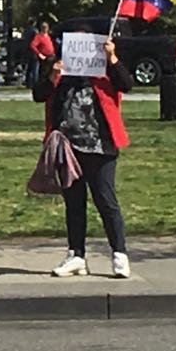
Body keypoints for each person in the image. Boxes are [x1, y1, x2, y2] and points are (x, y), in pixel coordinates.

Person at [45, 37, 135, 279]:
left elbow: (126, 83)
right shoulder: (61, 71)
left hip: (101, 147)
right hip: (68, 148)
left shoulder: (104, 71)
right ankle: (76, 255)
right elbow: (39, 94)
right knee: (74, 204)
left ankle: (119, 254)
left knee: (106, 200)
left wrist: (112, 58)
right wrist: (51, 76)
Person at [26, 20, 56, 89]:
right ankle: (38, 85)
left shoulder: (48, 36)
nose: (45, 29)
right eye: (44, 27)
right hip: (44, 57)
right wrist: (39, 54)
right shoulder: (39, 36)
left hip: (51, 56)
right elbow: (32, 45)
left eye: (46, 27)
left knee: (51, 72)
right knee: (42, 72)